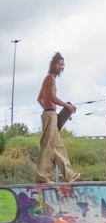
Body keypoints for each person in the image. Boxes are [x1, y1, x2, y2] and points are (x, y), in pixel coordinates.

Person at [37, 53, 76, 182]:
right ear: (53, 64)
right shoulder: (50, 79)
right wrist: (67, 106)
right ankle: (42, 176)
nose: (61, 67)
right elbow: (52, 98)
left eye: (62, 64)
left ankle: (69, 175)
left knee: (58, 146)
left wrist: (47, 109)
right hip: (50, 115)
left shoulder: (47, 80)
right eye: (59, 64)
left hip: (50, 114)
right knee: (48, 146)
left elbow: (39, 99)